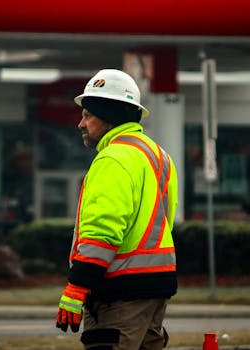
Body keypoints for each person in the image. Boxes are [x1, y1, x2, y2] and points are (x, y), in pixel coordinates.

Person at [55, 69, 179, 349]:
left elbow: (102, 232)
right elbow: (165, 222)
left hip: (119, 293)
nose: (80, 124)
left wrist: (77, 288)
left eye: (87, 115)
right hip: (154, 289)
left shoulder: (112, 158)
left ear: (108, 115)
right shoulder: (158, 155)